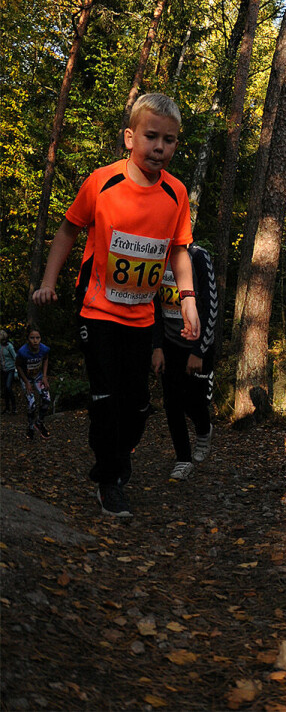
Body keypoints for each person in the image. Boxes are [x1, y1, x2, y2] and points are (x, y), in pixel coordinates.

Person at [31, 93, 199, 517]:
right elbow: (68, 231)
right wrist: (49, 282)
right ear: (130, 137)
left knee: (139, 405)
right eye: (151, 137)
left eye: (170, 140)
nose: (160, 147)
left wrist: (188, 300)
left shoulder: (177, 194)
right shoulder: (102, 182)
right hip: (97, 311)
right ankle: (109, 481)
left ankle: (115, 460)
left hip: (143, 317)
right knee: (105, 398)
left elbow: (180, 252)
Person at [152, 242, 219, 480]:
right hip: (170, 345)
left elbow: (211, 305)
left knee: (194, 401)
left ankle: (204, 430)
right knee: (172, 403)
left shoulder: (198, 256)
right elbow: (154, 305)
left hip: (197, 343)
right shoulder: (157, 255)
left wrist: (199, 350)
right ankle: (183, 459)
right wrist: (157, 346)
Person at [16, 326, 51, 439]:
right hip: (26, 378)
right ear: (28, 339)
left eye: (38, 338)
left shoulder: (44, 349)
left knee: (46, 399)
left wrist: (45, 376)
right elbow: (18, 366)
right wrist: (26, 382)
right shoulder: (22, 352)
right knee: (32, 405)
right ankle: (30, 428)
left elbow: (46, 359)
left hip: (38, 377)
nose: (35, 341)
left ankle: (39, 423)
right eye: (32, 338)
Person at [1, 329, 17, 413]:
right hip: (4, 370)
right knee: (5, 390)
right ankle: (7, 408)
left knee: (8, 386)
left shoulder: (9, 346)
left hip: (11, 369)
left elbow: (16, 358)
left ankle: (14, 407)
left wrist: (16, 371)